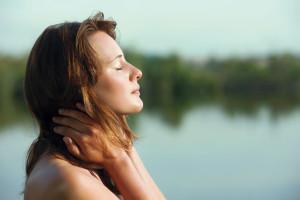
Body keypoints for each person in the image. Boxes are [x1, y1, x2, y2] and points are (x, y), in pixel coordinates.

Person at [23, 11, 166, 200]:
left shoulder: (76, 164)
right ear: (78, 85)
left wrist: (122, 146)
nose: (137, 72)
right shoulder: (72, 180)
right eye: (118, 67)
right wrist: (118, 160)